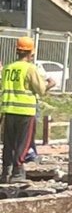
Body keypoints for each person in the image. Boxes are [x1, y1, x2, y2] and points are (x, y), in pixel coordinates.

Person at [2, 36, 51, 182]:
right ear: (31, 53)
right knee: (23, 143)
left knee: (9, 142)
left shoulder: (8, 68)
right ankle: (17, 172)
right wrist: (50, 84)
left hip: (9, 109)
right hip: (25, 111)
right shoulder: (30, 69)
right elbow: (41, 89)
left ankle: (5, 172)